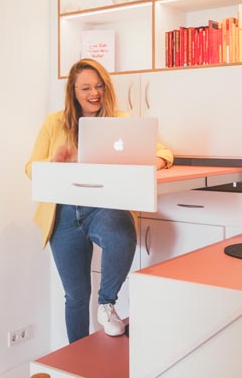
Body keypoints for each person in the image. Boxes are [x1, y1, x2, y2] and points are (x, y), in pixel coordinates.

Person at [25, 59, 173, 344]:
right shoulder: (54, 123)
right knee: (76, 296)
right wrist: (54, 161)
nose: (93, 92)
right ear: (73, 91)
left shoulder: (121, 120)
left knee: (121, 233)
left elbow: (164, 151)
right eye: (85, 88)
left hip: (102, 208)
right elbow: (31, 167)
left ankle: (107, 304)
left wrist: (154, 161)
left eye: (98, 85)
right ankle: (75, 361)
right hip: (63, 213)